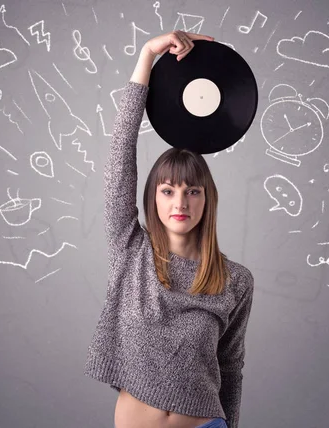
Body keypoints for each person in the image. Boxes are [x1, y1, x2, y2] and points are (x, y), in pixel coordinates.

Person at [83, 30, 254, 428]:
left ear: (206, 199)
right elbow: (120, 155)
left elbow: (231, 370)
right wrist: (147, 56)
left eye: (192, 191)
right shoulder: (131, 252)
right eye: (168, 190)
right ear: (152, 197)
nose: (180, 202)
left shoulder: (236, 281)